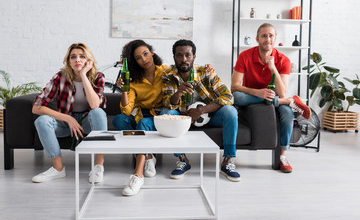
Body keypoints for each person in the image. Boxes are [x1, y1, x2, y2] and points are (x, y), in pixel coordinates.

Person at [231, 23, 311, 173]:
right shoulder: (245, 56)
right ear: (257, 39)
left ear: (275, 39)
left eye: (271, 36)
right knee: (236, 97)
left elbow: (281, 92)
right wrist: (259, 92)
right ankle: (289, 101)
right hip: (251, 97)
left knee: (287, 113)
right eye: (264, 36)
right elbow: (234, 87)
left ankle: (282, 157)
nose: (267, 39)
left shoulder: (283, 60)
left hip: (275, 97)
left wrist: (273, 68)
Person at [162, 39, 241, 182]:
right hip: (184, 119)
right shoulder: (168, 75)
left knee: (231, 111)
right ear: (174, 57)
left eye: (188, 55)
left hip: (210, 116)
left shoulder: (206, 72)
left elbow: (228, 96)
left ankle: (228, 161)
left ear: (194, 57)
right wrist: (178, 93)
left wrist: (202, 110)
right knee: (166, 113)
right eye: (179, 55)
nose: (184, 59)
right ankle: (183, 160)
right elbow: (168, 102)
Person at [32, 43, 107, 183]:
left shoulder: (98, 77)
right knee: (41, 120)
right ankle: (58, 169)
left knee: (98, 112)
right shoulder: (60, 77)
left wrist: (83, 75)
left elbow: (95, 105)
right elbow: (37, 107)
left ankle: (98, 166)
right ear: (68, 61)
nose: (77, 60)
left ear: (88, 60)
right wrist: (67, 118)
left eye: (82, 56)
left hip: (87, 124)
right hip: (64, 125)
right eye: (73, 57)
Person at [112, 40, 166, 196]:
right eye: (138, 58)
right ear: (134, 62)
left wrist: (207, 68)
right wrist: (124, 90)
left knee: (143, 123)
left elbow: (186, 68)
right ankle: (148, 155)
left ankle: (138, 174)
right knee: (119, 120)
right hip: (141, 115)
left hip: (159, 117)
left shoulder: (164, 71)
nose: (144, 59)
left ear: (152, 53)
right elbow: (127, 111)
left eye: (145, 54)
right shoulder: (134, 81)